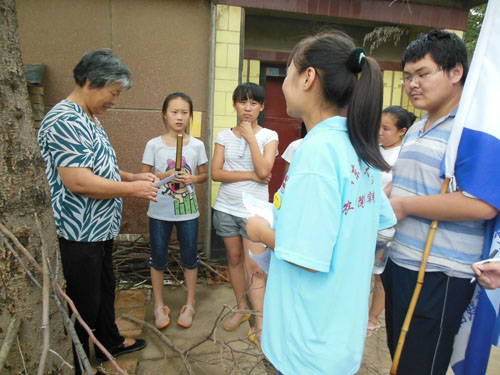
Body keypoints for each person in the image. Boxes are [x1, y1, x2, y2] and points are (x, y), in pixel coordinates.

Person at [246, 31, 396, 374]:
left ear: (308, 77)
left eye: (288, 73)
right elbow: (384, 226)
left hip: (303, 346)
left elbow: (307, 258)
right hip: (340, 339)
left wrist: (261, 231)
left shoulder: (316, 152)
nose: (284, 84)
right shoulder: (361, 147)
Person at [381, 30, 498, 375]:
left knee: (419, 366)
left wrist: (405, 206)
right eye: (407, 76)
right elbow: (407, 186)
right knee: (400, 358)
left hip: (440, 272)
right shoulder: (417, 127)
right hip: (401, 261)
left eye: (422, 73)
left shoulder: (472, 131)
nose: (412, 84)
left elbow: (484, 204)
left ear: (456, 72)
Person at [37, 49, 158, 375]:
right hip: (76, 233)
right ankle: (76, 364)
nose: (114, 101)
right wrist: (134, 190)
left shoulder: (89, 118)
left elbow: (100, 167)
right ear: (90, 82)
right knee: (82, 305)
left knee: (105, 290)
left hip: (99, 229)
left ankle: (109, 342)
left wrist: (132, 176)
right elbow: (78, 180)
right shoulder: (65, 120)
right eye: (113, 93)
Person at [211, 83, 278, 348]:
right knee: (234, 260)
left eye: (253, 103)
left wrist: (250, 137)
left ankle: (260, 320)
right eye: (242, 102)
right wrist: (251, 174)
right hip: (226, 207)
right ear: (234, 105)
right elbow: (217, 173)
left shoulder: (269, 136)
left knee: (256, 268)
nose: (247, 108)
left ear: (261, 107)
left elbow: (265, 171)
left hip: (254, 212)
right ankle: (241, 308)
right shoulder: (223, 136)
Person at [141, 93, 208, 329]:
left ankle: (190, 303)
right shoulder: (154, 144)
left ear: (190, 116)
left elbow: (204, 174)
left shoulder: (197, 144)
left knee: (189, 257)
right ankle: (158, 305)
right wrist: (165, 176)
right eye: (174, 112)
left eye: (184, 112)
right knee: (158, 257)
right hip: (159, 210)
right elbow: (145, 177)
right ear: (164, 114)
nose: (179, 117)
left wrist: (193, 179)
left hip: (188, 210)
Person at [367, 106, 416, 336]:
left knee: (379, 272)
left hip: (384, 222)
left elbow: (392, 188)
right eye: (378, 126)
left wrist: (373, 203)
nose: (379, 132)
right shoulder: (374, 150)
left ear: (402, 131)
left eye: (386, 128)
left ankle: (372, 316)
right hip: (365, 216)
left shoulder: (404, 156)